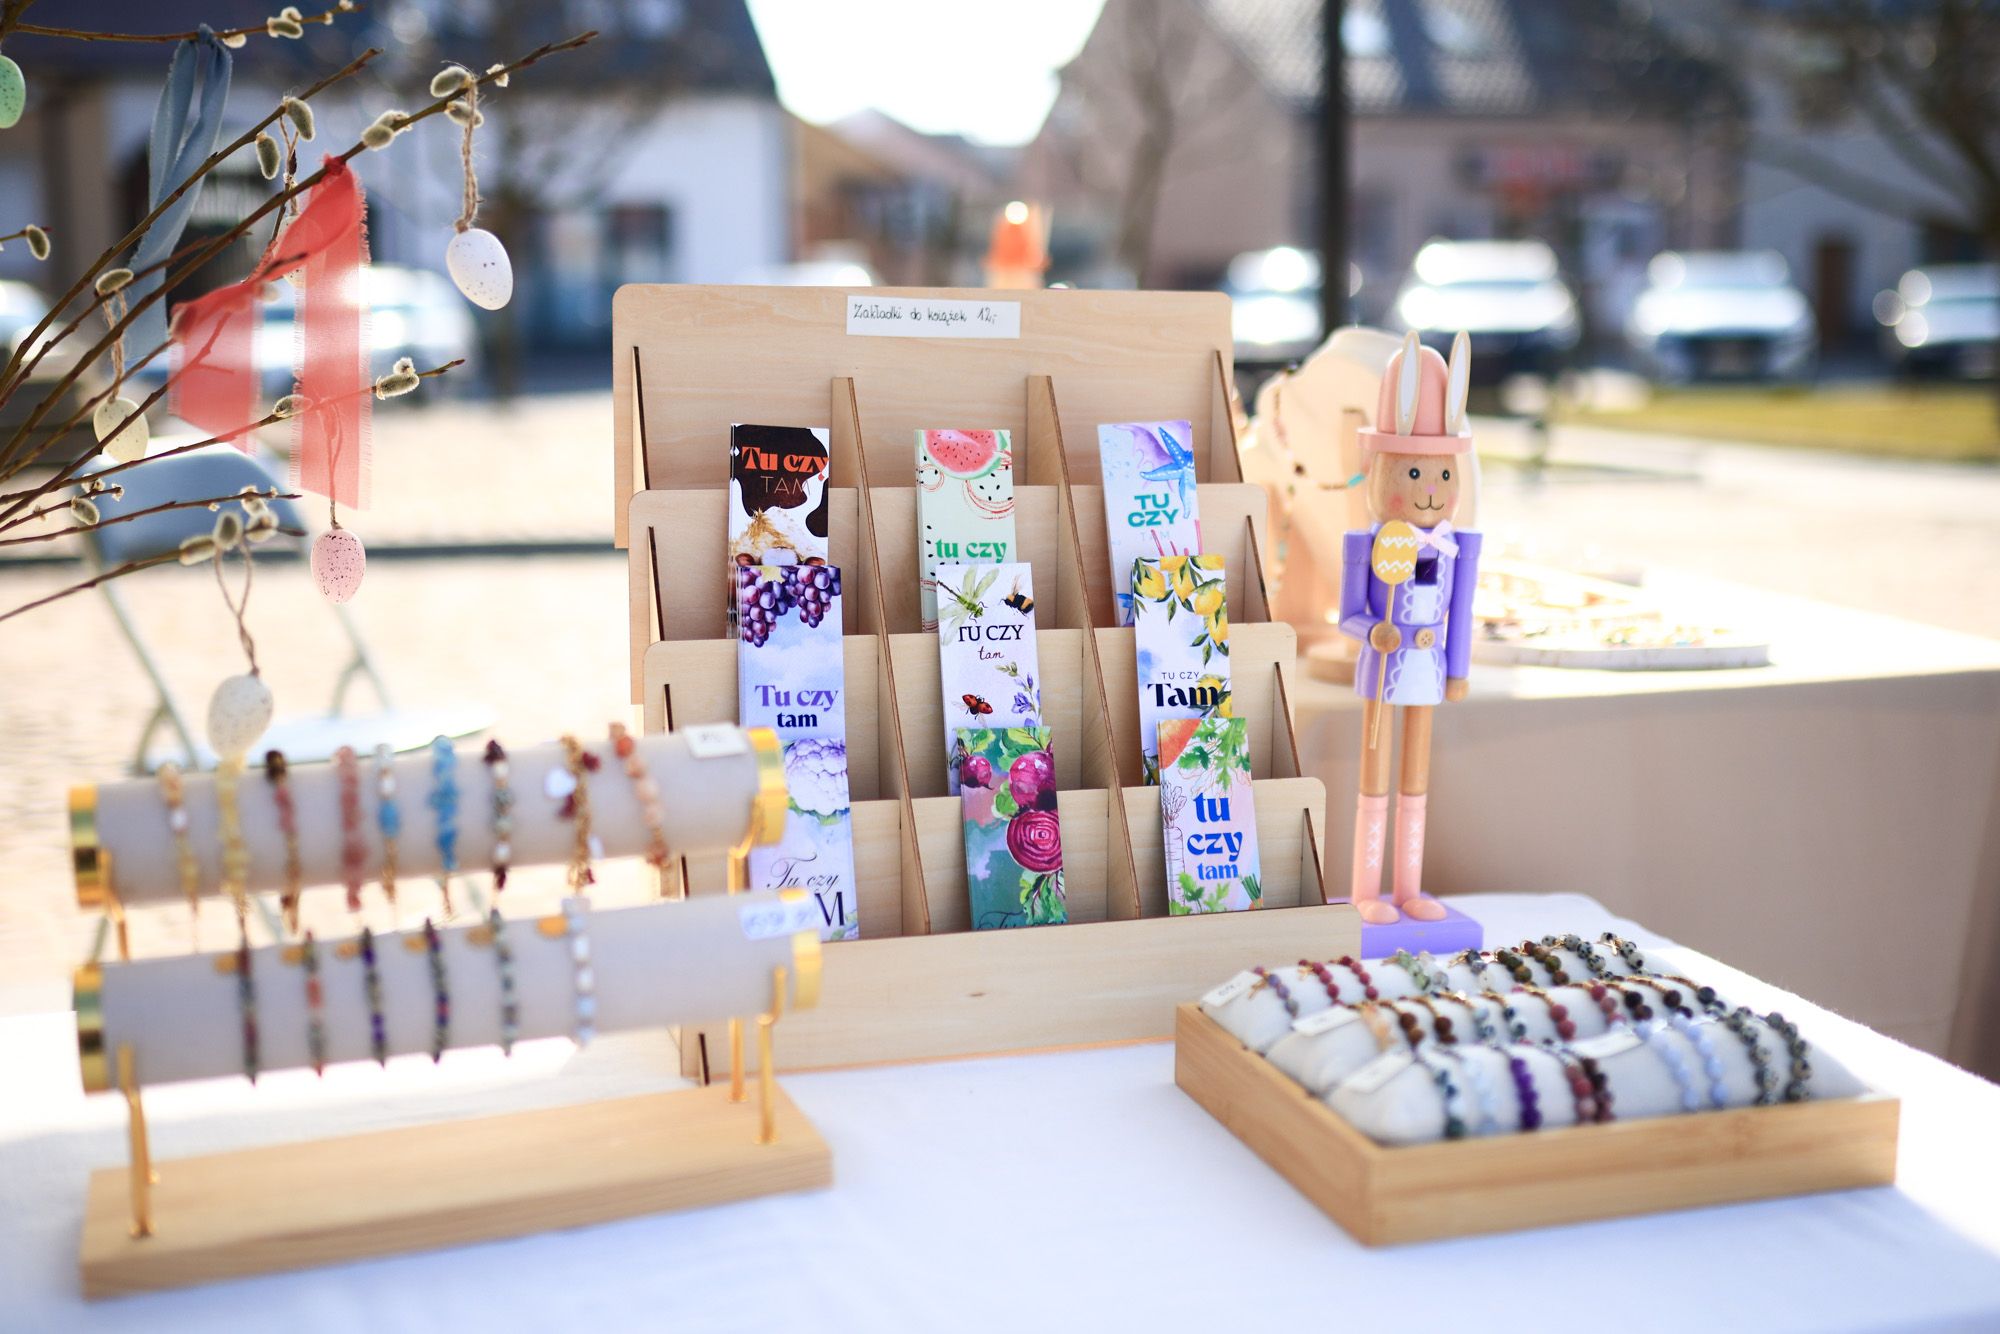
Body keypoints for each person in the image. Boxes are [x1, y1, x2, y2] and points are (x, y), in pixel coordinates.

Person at [1338, 331, 1481, 924]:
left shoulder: (1457, 545)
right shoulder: (1364, 543)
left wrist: (1458, 669)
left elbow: (1461, 611)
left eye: (1443, 475)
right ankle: (1366, 890)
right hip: (1385, 666)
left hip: (1427, 666)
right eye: (1416, 472)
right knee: (1375, 775)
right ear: (1383, 470)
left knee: (1416, 780)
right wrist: (1373, 631)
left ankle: (1409, 888)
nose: (1429, 490)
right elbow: (1348, 612)